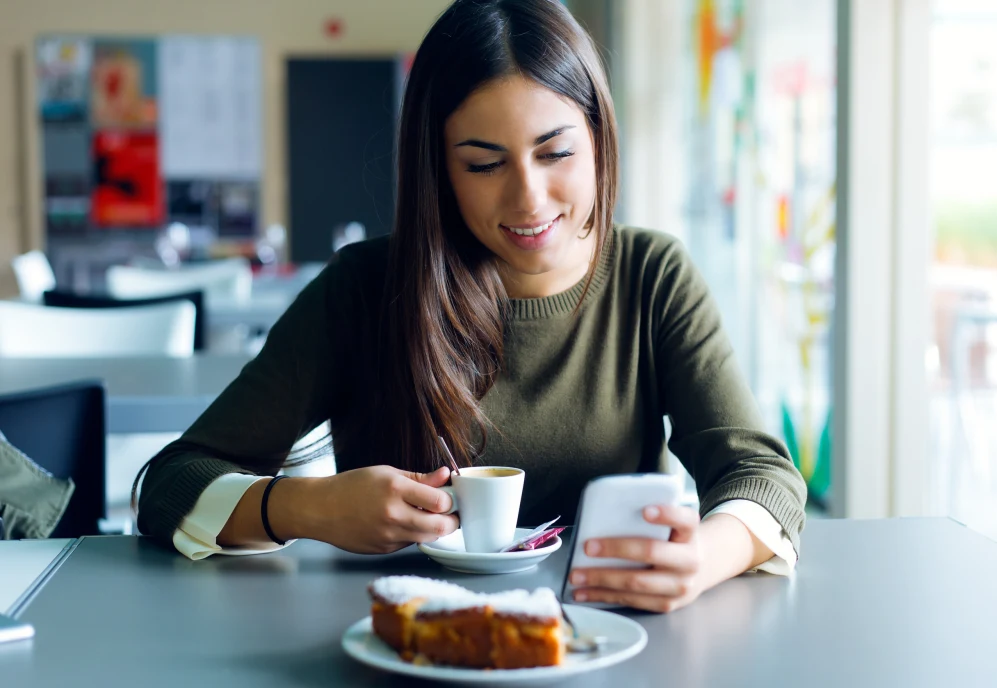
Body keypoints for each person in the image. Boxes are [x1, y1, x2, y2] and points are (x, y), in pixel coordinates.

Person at [136, 0, 806, 613]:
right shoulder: (366, 289)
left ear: (599, 138)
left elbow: (760, 474)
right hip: (399, 649)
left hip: (607, 646)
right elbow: (170, 484)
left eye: (556, 153)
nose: (530, 200)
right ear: (438, 170)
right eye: (484, 165)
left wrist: (703, 559)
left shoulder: (652, 276)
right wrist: (306, 508)